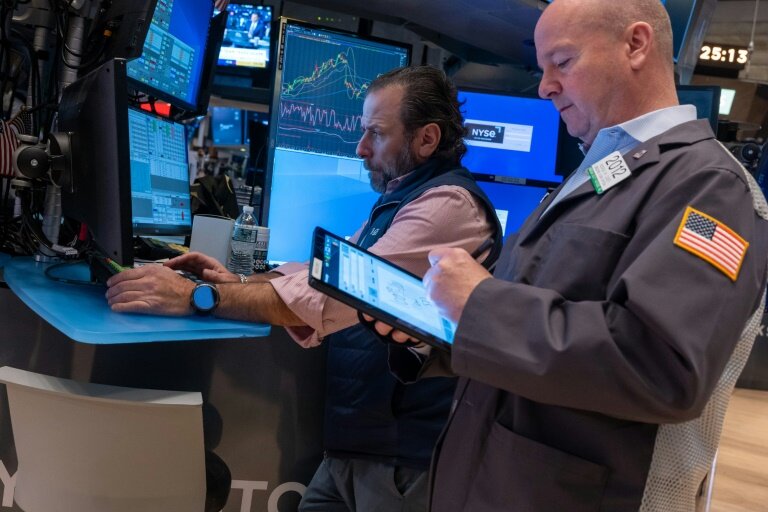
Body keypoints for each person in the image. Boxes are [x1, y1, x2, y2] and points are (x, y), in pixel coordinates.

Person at [369, 1, 768, 511]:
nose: (544, 86)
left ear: (636, 44)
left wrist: (480, 306)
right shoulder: (602, 169)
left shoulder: (711, 187)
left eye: (562, 61)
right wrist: (439, 329)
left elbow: (662, 365)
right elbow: (537, 321)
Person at [106, 66, 502, 511]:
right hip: (361, 446)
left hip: (404, 458)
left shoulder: (446, 207)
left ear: (427, 139)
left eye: (376, 133)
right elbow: (321, 273)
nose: (361, 148)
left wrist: (197, 298)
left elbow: (328, 299)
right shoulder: (406, 197)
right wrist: (233, 280)